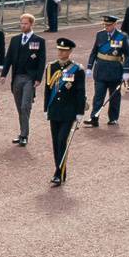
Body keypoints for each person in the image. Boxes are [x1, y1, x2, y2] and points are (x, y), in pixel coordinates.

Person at [43, 38, 86, 187]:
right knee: (56, 142)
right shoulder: (51, 67)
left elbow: (80, 92)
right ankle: (60, 170)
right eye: (59, 50)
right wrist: (45, 109)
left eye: (64, 50)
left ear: (70, 52)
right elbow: (47, 90)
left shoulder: (77, 69)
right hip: (54, 110)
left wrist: (80, 112)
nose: (61, 52)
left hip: (69, 111)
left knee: (62, 140)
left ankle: (58, 173)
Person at [3, 14, 47, 148]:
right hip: (17, 77)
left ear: (31, 24)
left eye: (25, 24)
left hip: (29, 78)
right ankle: (22, 132)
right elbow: (9, 57)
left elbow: (41, 60)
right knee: (19, 107)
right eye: (21, 23)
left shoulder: (39, 40)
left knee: (25, 106)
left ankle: (24, 135)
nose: (23, 26)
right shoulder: (15, 40)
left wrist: (39, 78)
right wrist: (4, 74)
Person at [84, 14, 129, 128]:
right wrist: (89, 67)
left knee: (114, 97)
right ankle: (94, 118)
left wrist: (126, 71)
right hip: (101, 70)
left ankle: (113, 118)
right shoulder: (100, 34)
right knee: (98, 96)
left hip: (115, 70)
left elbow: (128, 56)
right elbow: (94, 52)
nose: (106, 27)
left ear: (115, 24)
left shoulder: (122, 37)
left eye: (109, 25)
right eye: (105, 25)